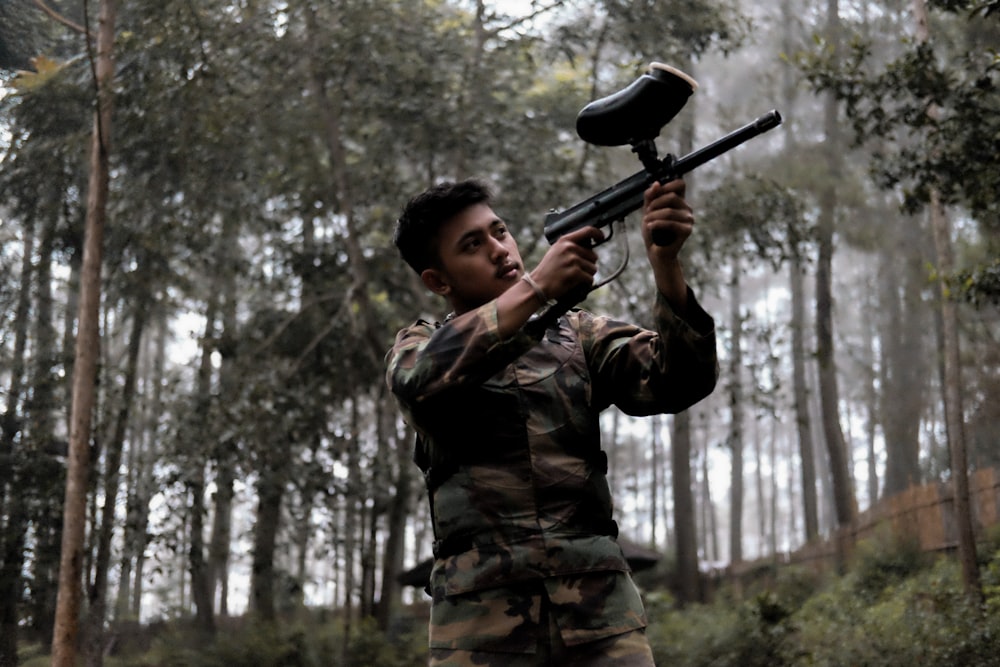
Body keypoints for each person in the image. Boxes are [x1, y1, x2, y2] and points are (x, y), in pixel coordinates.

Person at [385, 177, 718, 666]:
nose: (500, 250)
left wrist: (666, 265)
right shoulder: (419, 346)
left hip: (601, 618)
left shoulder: (580, 334)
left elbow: (679, 381)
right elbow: (421, 381)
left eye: (499, 232)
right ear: (439, 280)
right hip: (479, 629)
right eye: (473, 245)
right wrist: (538, 286)